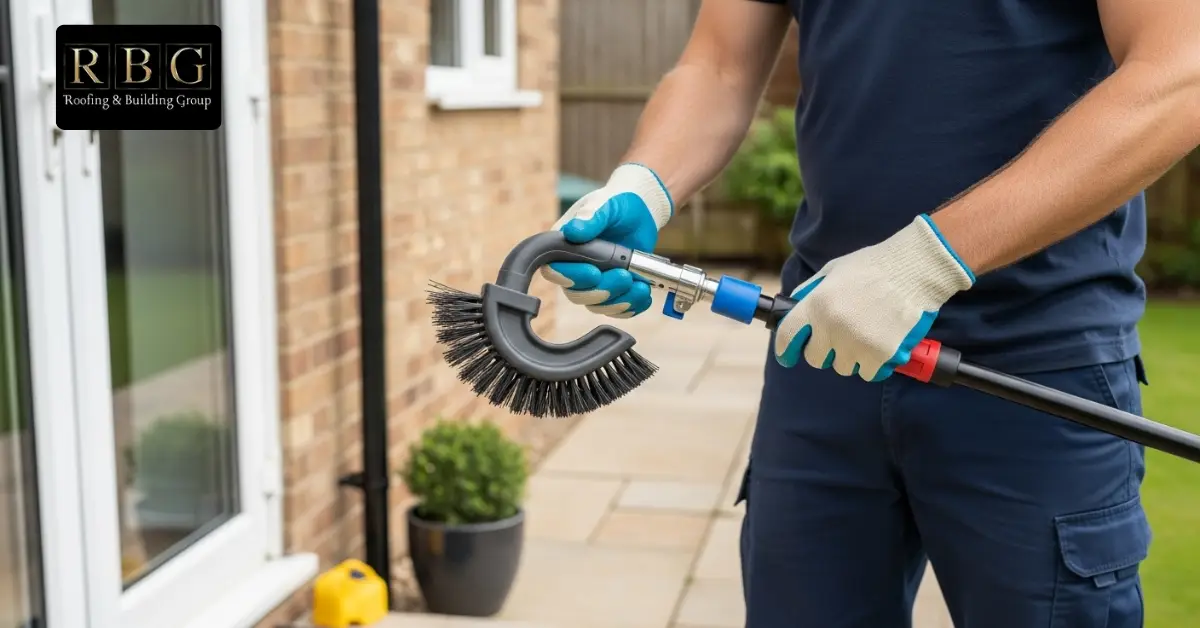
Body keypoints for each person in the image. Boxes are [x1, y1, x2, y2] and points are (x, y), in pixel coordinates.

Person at [540, 0, 1200, 626]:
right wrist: (645, 183)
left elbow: (1178, 73)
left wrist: (928, 261)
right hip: (822, 351)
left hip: (1033, 370)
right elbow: (718, 65)